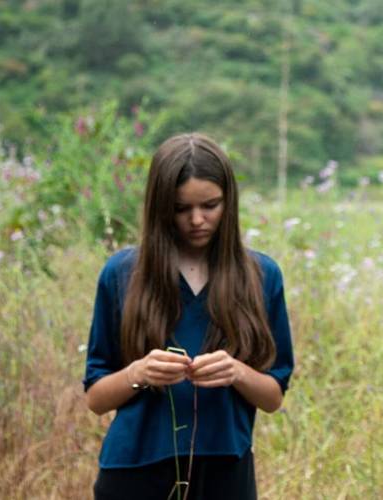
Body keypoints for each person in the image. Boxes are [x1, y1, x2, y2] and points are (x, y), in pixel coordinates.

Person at [83, 133, 294, 500]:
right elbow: (96, 398)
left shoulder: (262, 276)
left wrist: (236, 372)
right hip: (133, 472)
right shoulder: (121, 273)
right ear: (160, 207)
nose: (197, 220)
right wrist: (139, 373)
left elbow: (272, 398)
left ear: (229, 201)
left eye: (210, 205)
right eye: (181, 208)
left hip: (226, 472)